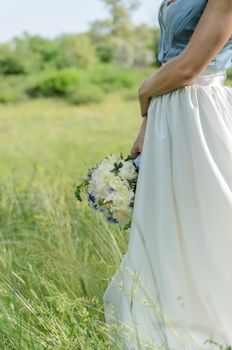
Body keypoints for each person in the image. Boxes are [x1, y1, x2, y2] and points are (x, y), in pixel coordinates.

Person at [103, 0, 232, 349]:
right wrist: (147, 123)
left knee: (210, 226)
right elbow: (171, 63)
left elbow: (190, 67)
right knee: (164, 230)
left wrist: (144, 91)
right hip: (168, 113)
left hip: (199, 115)